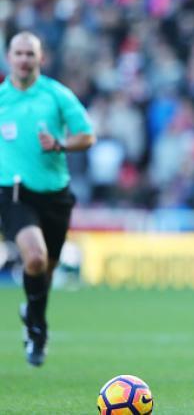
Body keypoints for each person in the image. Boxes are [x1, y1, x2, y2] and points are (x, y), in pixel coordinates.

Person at [0, 31, 95, 366]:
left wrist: (60, 145)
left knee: (46, 269)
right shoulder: (1, 99)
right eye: (19, 53)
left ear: (41, 58)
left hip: (55, 195)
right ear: (9, 57)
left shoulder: (56, 95)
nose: (24, 59)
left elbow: (87, 135)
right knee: (35, 258)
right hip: (12, 192)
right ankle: (37, 331)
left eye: (30, 54)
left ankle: (32, 310)